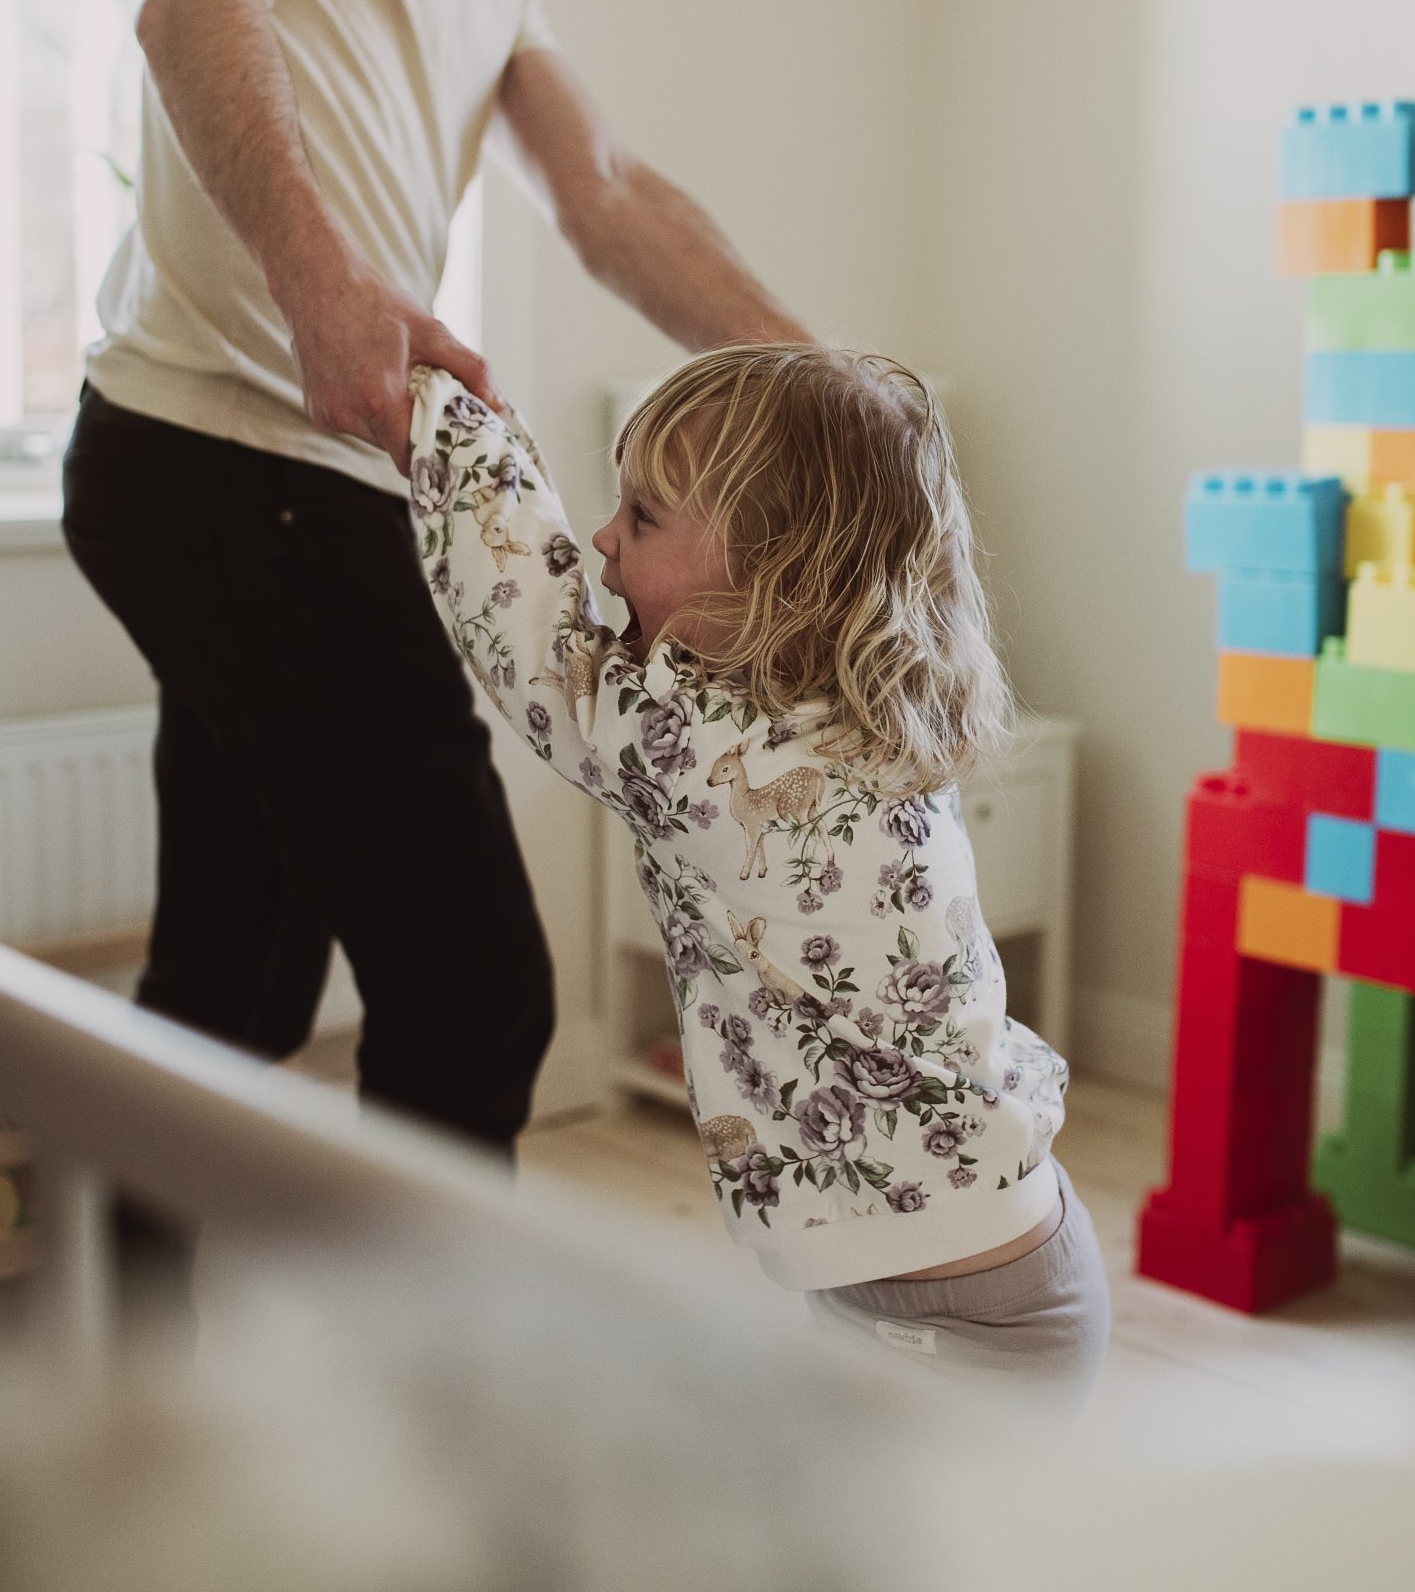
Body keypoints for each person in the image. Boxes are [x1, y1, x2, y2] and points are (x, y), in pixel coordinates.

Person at [62, 0, 804, 1153]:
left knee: (227, 1003)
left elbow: (602, 196)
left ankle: (144, 1387)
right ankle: (411, 1418)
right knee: (479, 1001)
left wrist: (821, 376)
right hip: (232, 462)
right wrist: (323, 284)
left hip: (296, 483)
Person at [408, 347, 1110, 1393]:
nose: (603, 539)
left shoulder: (705, 751)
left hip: (944, 1322)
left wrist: (442, 415)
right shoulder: (873, 708)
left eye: (641, 518)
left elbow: (536, 639)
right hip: (999, 1261)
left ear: (779, 573)